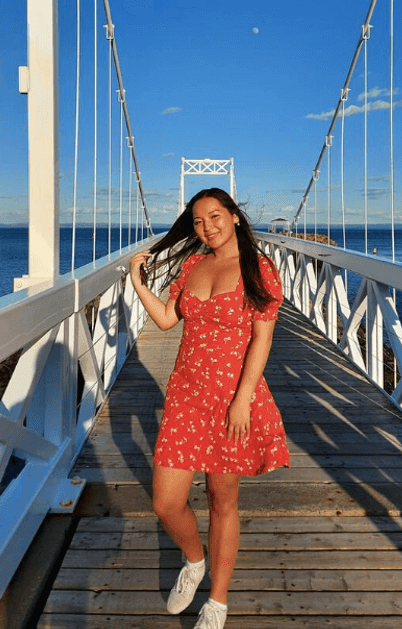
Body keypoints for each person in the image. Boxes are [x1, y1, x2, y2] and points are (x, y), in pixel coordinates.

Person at [128, 188, 290, 629]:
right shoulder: (191, 266)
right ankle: (194, 560)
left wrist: (242, 401)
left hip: (232, 398)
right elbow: (167, 319)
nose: (207, 227)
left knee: (222, 499)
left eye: (215, 216)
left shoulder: (259, 268)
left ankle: (217, 600)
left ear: (234, 216)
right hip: (186, 395)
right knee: (166, 502)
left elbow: (262, 339)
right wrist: (139, 284)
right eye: (198, 221)